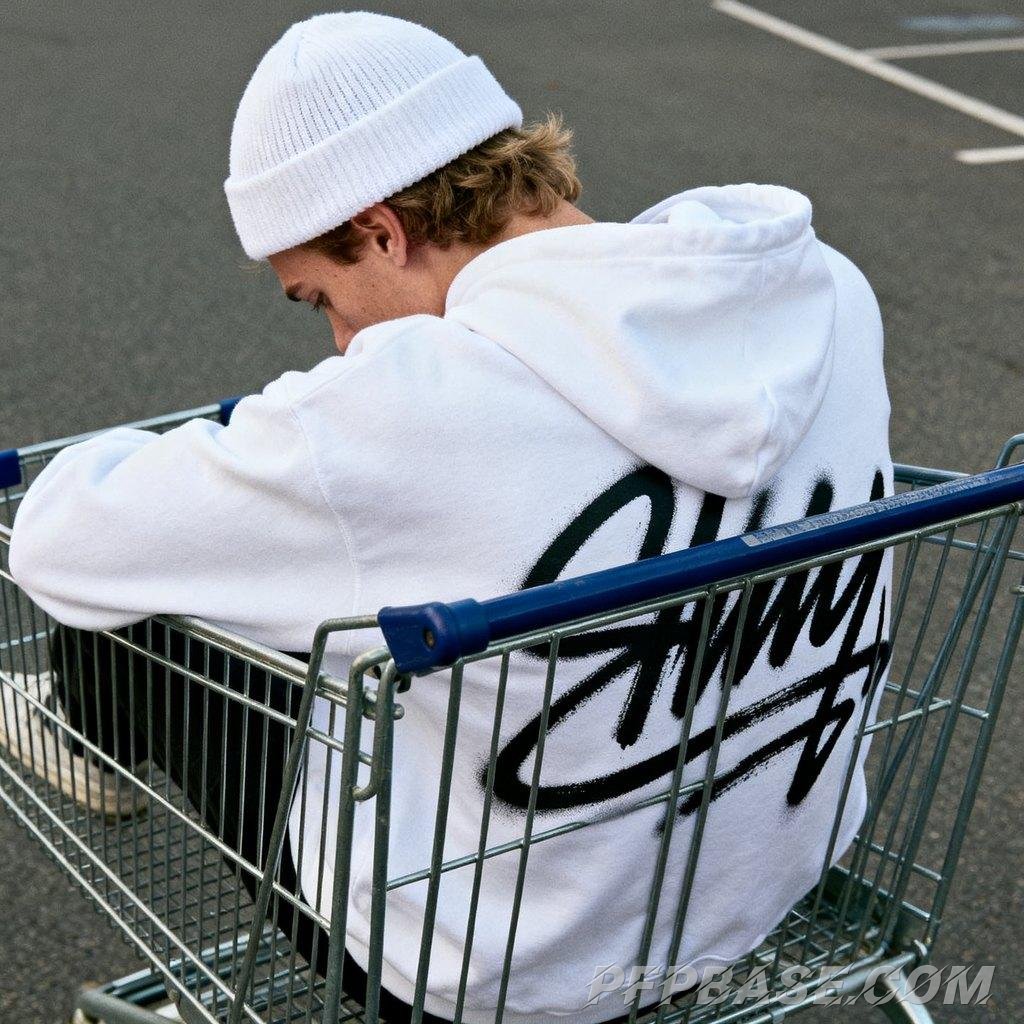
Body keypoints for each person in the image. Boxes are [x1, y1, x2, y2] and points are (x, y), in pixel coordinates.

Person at [3, 10, 894, 1024]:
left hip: (497, 975)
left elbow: (57, 536)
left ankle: (83, 730)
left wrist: (267, 437)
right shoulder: (826, 289)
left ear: (384, 230)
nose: (339, 343)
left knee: (146, 613)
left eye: (319, 299)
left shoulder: (399, 413)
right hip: (748, 891)